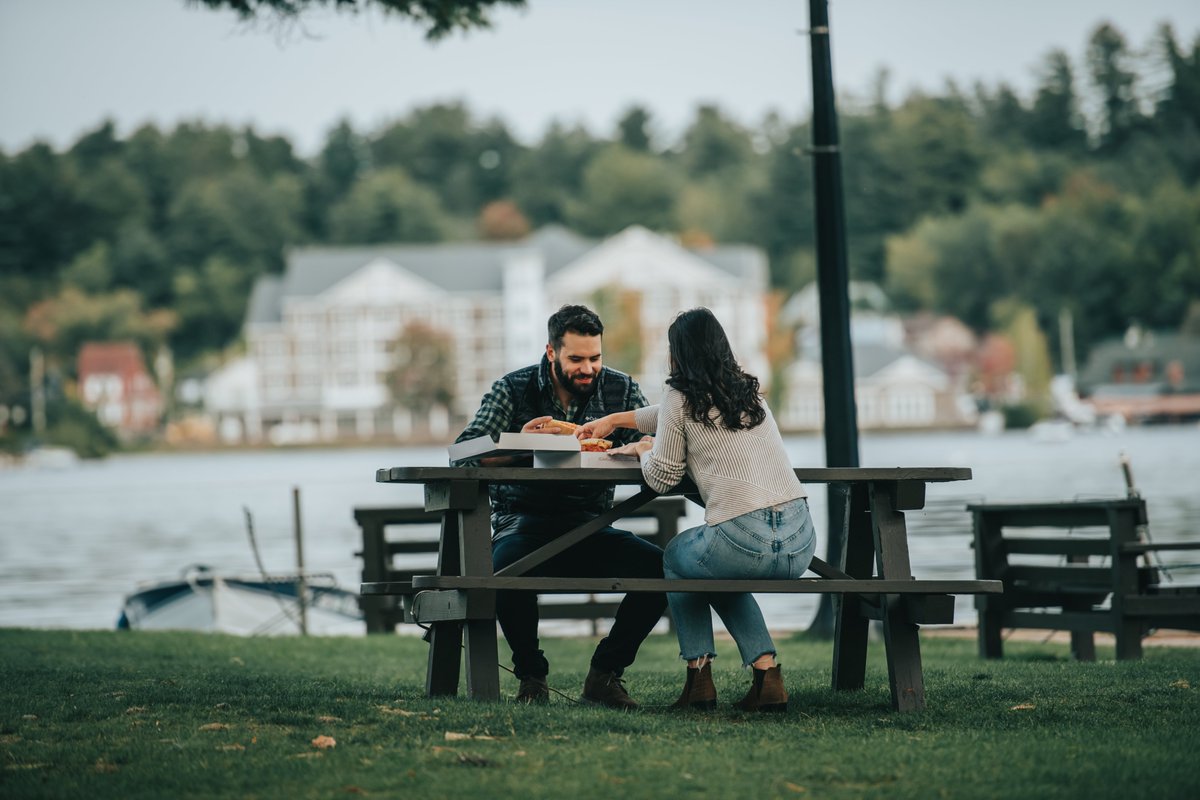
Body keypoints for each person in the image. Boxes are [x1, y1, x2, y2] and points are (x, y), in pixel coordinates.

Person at [576, 307, 815, 713]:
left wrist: (643, 450)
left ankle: (699, 679)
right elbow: (667, 416)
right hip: (800, 541)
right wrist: (615, 420)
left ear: (678, 353)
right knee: (715, 570)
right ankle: (767, 677)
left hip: (745, 541)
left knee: (677, 558)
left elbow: (664, 477)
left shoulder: (679, 395)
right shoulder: (748, 392)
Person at [453, 304, 667, 709]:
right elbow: (465, 453)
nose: (588, 368)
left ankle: (605, 674)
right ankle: (531, 676)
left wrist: (644, 446)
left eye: (595, 358)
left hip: (591, 523)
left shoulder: (622, 390)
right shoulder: (512, 388)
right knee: (501, 572)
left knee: (662, 571)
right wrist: (516, 441)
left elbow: (664, 438)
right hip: (522, 523)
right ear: (551, 353)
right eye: (576, 359)